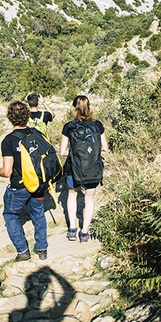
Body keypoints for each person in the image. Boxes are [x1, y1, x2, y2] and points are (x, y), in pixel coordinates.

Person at [0, 100, 48, 262]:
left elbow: (7, 171)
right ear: (27, 115)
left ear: (10, 117)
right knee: (38, 214)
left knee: (10, 215)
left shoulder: (9, 140)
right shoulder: (36, 133)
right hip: (38, 184)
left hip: (19, 186)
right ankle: (42, 249)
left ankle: (23, 251)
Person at [60, 95, 108, 242]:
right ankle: (85, 232)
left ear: (75, 107)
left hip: (73, 167)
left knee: (72, 195)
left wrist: (75, 154)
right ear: (89, 107)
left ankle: (72, 229)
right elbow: (105, 148)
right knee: (89, 198)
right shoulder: (97, 125)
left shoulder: (68, 126)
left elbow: (62, 152)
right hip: (93, 167)